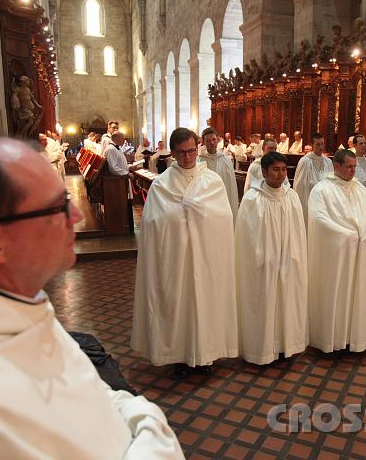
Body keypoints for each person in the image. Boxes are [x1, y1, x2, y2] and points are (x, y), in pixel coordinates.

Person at [0, 135, 183, 458]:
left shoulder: (7, 302)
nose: (77, 217)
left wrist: (137, 414)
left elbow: (86, 393)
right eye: (58, 207)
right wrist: (152, 425)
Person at [131, 128, 238, 377]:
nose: (188, 157)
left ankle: (207, 354)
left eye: (191, 151)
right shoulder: (162, 184)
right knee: (178, 304)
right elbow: (152, 223)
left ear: (197, 147)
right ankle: (179, 356)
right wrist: (180, 213)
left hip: (206, 255)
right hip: (175, 258)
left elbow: (223, 216)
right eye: (181, 153)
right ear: (173, 153)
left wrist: (200, 211)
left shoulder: (212, 180)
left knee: (206, 301)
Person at [235, 152, 308, 364]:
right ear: (264, 172)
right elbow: (246, 238)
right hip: (262, 266)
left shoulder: (291, 197)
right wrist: (263, 258)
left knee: (287, 301)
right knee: (263, 304)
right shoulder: (252, 199)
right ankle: (262, 349)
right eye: (276, 170)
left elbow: (298, 233)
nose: (281, 174)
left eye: (284, 170)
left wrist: (292, 256)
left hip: (288, 262)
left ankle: (286, 345)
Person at [307, 149, 366, 353]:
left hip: (360, 250)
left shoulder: (360, 189)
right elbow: (319, 220)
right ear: (336, 166)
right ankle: (332, 339)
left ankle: (356, 336)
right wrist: (346, 236)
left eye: (355, 167)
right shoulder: (322, 190)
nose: (353, 171)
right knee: (336, 296)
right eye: (349, 167)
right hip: (337, 255)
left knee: (358, 293)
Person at [198, 127, 239, 220]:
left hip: (223, 202)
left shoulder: (225, 160)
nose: (211, 143)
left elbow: (230, 186)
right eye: (208, 141)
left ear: (217, 140)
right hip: (206, 204)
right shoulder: (199, 161)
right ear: (204, 143)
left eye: (213, 139)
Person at [293, 133, 333, 225]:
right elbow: (299, 185)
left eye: (322, 144)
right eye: (318, 144)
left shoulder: (328, 162)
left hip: (324, 201)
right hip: (308, 199)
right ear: (312, 145)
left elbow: (331, 182)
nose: (321, 147)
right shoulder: (305, 161)